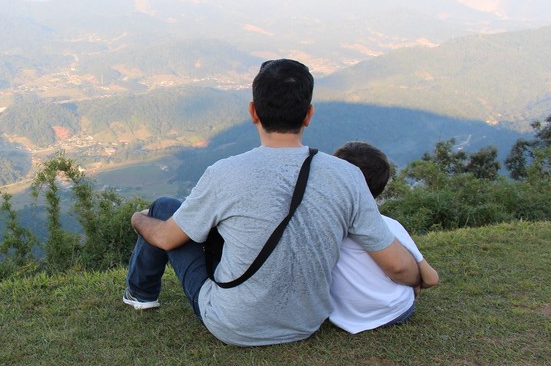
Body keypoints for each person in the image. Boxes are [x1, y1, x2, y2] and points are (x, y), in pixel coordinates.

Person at [123, 59, 421, 346]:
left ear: (253, 112)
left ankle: (141, 294)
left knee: (163, 207)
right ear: (309, 115)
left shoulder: (224, 173)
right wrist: (422, 279)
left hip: (233, 325)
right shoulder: (347, 176)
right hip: (306, 323)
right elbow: (397, 266)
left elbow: (164, 237)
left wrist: (137, 218)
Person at [329, 141, 439, 333]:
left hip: (341, 316)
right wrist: (416, 282)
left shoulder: (323, 225)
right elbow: (431, 278)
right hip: (394, 312)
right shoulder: (388, 225)